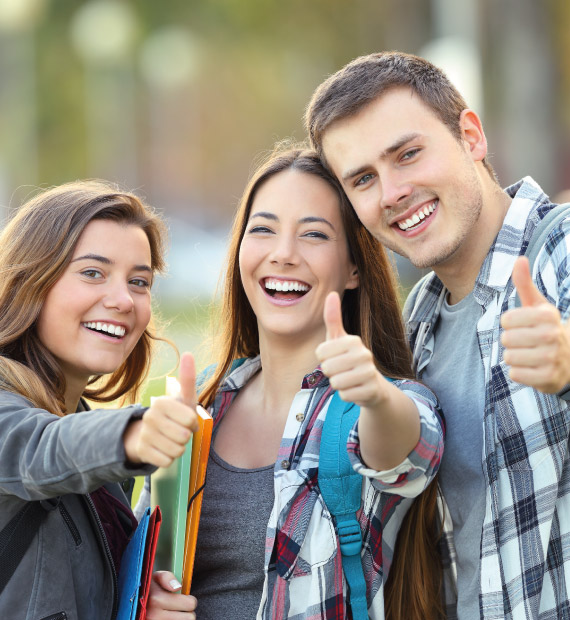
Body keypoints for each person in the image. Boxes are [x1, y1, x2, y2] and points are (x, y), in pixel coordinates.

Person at [305, 50, 570, 619]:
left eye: (408, 154)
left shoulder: (560, 252)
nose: (394, 191)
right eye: (365, 179)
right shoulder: (420, 321)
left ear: (470, 136)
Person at [190, 146, 445, 619]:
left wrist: (372, 395)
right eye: (263, 229)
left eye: (313, 234)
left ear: (353, 268)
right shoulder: (203, 402)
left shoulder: (381, 402)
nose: (283, 254)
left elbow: (409, 451)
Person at [0, 180, 198, 619]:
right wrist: (134, 435)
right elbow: (39, 448)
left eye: (139, 281)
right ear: (31, 280)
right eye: (93, 272)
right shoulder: (64, 435)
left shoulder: (87, 437)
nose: (123, 299)